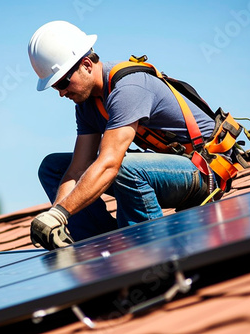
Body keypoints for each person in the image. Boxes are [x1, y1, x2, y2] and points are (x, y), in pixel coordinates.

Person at [27, 21, 218, 250]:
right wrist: (54, 217)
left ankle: (150, 254)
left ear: (87, 65)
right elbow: (78, 169)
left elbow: (109, 164)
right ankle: (99, 249)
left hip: (205, 169)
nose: (62, 93)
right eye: (55, 87)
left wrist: (60, 213)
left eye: (63, 82)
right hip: (173, 170)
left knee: (120, 166)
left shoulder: (128, 88)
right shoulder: (87, 104)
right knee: (53, 167)